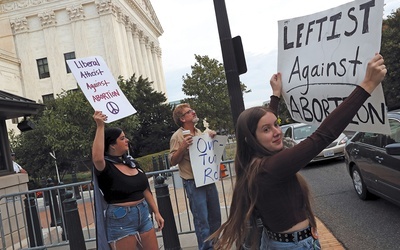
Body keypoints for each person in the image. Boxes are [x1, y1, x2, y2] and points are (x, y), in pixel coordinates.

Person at [210, 53, 387, 250]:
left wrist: (275, 96)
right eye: (267, 130)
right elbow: (322, 136)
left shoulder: (256, 163)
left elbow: (265, 124)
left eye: (276, 125)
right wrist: (367, 86)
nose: (277, 132)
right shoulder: (270, 168)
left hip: (289, 241)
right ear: (250, 139)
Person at [92, 110, 164, 250]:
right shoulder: (105, 168)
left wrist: (156, 212)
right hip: (120, 218)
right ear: (112, 145)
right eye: (122, 138)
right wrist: (100, 126)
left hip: (143, 214)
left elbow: (145, 189)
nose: (127, 140)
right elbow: (97, 157)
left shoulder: (131, 162)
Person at [169, 104, 221, 250]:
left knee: (215, 218)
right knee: (202, 221)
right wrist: (183, 146)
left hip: (208, 179)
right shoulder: (177, 137)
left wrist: (212, 139)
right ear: (182, 118)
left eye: (192, 110)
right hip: (193, 183)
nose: (193, 112)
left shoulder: (199, 132)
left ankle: (216, 246)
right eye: (189, 112)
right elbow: (172, 160)